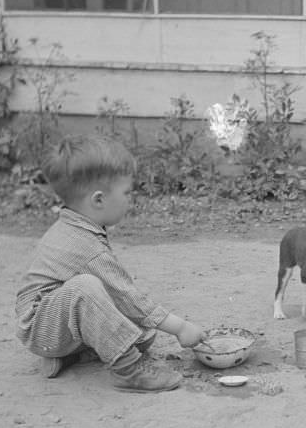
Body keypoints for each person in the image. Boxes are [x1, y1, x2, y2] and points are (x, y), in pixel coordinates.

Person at [15, 135, 207, 393]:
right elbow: (127, 296)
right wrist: (181, 328)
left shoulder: (79, 224)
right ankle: (128, 371)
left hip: (59, 321)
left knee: (142, 335)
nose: (131, 198)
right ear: (98, 200)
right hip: (40, 327)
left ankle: (69, 355)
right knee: (88, 288)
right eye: (127, 192)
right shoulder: (85, 247)